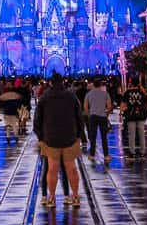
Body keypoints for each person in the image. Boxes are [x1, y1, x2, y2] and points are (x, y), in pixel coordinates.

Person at [34, 75, 83, 203]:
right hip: (69, 137)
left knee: (52, 169)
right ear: (63, 82)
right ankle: (75, 196)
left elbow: (37, 119)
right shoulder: (71, 96)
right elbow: (79, 116)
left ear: (50, 83)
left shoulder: (44, 97)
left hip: (50, 138)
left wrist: (40, 137)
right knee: (71, 168)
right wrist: (79, 135)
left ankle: (52, 197)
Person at [81, 78, 113, 158]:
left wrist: (89, 114)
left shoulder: (89, 94)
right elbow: (109, 106)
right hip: (102, 116)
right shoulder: (105, 93)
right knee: (104, 137)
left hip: (92, 116)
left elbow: (85, 106)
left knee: (93, 136)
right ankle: (106, 155)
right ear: (101, 85)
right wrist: (107, 114)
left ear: (93, 85)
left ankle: (92, 154)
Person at [121, 82, 147, 156]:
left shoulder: (127, 93)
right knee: (141, 134)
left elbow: (123, 105)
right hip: (140, 116)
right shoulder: (142, 92)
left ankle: (132, 152)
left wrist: (123, 111)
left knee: (131, 134)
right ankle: (142, 152)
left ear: (131, 85)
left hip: (130, 116)